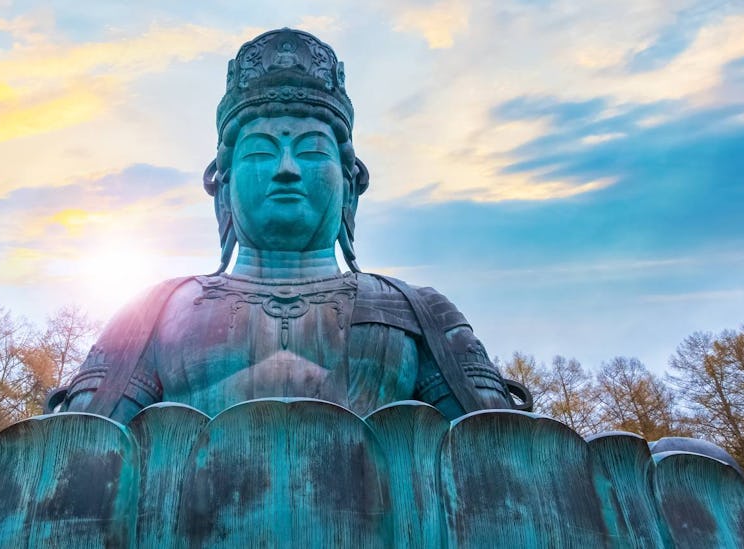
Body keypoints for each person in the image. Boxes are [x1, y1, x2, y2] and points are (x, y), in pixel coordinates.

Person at [48, 28, 529, 423]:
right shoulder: (155, 311)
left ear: (348, 182)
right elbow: (73, 449)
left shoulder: (416, 310)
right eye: (260, 151)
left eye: (312, 151)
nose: (286, 168)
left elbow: (500, 450)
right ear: (224, 183)